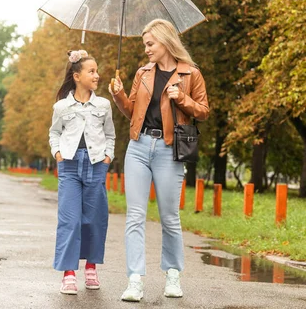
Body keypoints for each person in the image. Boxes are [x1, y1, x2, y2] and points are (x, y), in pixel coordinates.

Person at [109, 19, 209, 302]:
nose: (146, 49)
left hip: (169, 149)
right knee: (135, 216)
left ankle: (173, 274)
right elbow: (133, 112)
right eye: (145, 45)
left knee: (169, 217)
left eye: (150, 44)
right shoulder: (142, 73)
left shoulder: (191, 74)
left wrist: (182, 99)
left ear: (165, 41)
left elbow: (203, 111)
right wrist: (118, 95)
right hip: (139, 147)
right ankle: (135, 280)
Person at [49, 49, 115, 295]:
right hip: (69, 165)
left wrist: (108, 156)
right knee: (70, 220)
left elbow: (110, 134)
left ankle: (91, 267)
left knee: (94, 220)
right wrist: (57, 152)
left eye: (97, 71)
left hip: (97, 164)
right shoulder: (61, 106)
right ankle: (68, 274)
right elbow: (54, 132)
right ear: (77, 76)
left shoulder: (104, 104)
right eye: (92, 71)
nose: (97, 75)